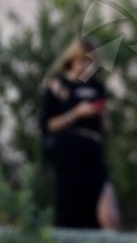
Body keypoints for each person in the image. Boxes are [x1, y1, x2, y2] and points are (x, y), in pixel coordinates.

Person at [40, 37, 120, 230]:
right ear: (73, 60)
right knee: (70, 209)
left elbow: (106, 128)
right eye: (84, 61)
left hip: (92, 151)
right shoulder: (58, 87)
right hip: (69, 152)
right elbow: (47, 125)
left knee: (108, 214)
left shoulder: (97, 87)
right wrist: (76, 114)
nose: (87, 67)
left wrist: (101, 113)